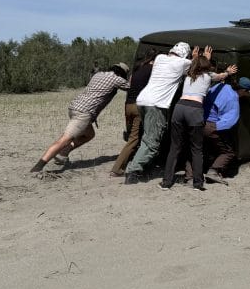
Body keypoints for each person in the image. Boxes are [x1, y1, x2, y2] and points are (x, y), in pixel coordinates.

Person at [30, 62, 130, 173]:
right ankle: (38, 167)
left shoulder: (98, 74)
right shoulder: (117, 79)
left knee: (89, 134)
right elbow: (132, 87)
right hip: (84, 113)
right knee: (65, 139)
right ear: (122, 73)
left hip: (74, 107)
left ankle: (63, 153)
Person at [160, 51, 238, 191]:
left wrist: (195, 57)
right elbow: (221, 76)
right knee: (196, 149)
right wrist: (228, 71)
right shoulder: (208, 76)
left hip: (179, 108)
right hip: (195, 110)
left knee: (175, 148)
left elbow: (194, 65)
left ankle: (166, 182)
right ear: (206, 65)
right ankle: (197, 183)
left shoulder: (187, 75)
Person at [123, 42, 194, 183]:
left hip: (142, 100)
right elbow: (196, 67)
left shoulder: (160, 58)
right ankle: (133, 170)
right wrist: (198, 57)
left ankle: (144, 166)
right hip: (156, 104)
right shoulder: (183, 63)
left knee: (147, 136)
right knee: (152, 142)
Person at [190, 74, 250, 182]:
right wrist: (214, 129)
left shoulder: (222, 86)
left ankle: (190, 175)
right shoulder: (233, 100)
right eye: (247, 92)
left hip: (199, 120)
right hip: (211, 125)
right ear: (243, 90)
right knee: (228, 152)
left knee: (199, 149)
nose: (247, 95)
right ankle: (213, 171)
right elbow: (228, 122)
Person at [109, 49, 157, 177]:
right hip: (138, 106)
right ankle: (117, 168)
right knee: (134, 139)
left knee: (133, 136)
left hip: (128, 105)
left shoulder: (138, 69)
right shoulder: (152, 70)